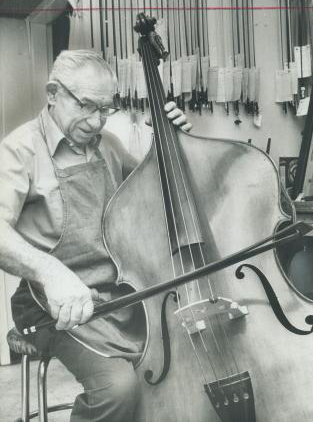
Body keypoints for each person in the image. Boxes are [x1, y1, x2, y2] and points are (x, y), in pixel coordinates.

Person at [0, 50, 192, 422]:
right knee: (117, 390)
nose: (96, 121)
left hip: (120, 294)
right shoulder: (19, 151)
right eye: (87, 106)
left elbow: (161, 197)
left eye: (106, 109)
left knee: (181, 362)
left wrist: (178, 143)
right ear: (53, 93)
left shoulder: (109, 147)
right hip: (51, 305)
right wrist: (51, 273)